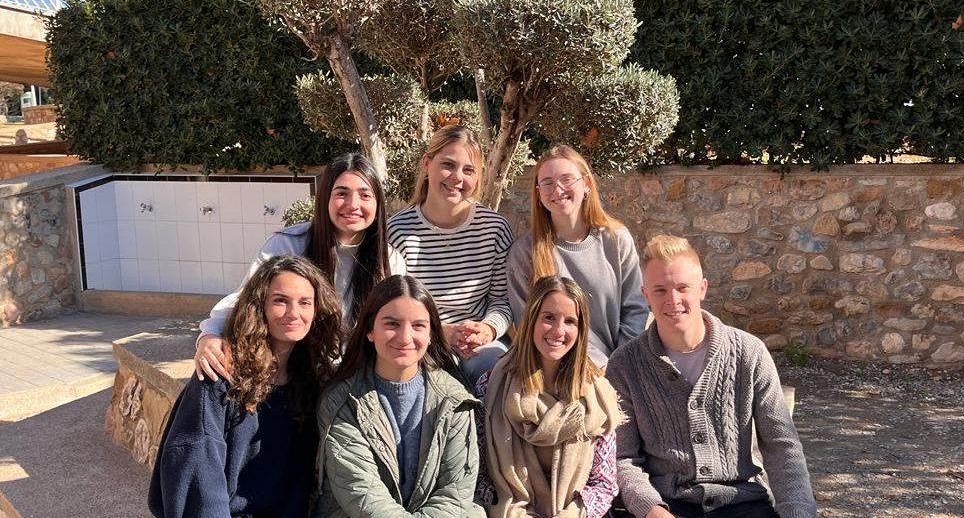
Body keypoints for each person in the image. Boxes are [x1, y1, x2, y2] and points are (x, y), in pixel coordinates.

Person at [605, 235, 828, 518]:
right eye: (660, 290)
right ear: (645, 296)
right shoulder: (625, 365)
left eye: (683, 287)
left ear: (702, 288)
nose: (673, 299)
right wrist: (647, 508)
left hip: (739, 502)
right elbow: (623, 457)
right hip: (668, 503)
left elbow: (782, 445)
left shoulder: (748, 352)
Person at [148, 255, 345, 518]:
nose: (294, 312)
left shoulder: (308, 388)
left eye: (305, 302)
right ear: (260, 307)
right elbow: (199, 491)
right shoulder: (217, 380)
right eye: (280, 301)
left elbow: (293, 501)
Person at [301, 275, 504, 518]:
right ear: (369, 332)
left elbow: (454, 497)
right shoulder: (341, 402)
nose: (405, 336)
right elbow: (364, 498)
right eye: (391, 324)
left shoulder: (454, 400)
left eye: (418, 326)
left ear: (431, 335)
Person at [481, 276, 619, 518]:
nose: (559, 330)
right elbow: (479, 475)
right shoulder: (493, 386)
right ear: (530, 321)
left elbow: (605, 484)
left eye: (570, 321)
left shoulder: (597, 393)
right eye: (548, 318)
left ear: (581, 328)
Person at [195, 152, 405, 381]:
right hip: (295, 377)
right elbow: (246, 301)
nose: (353, 205)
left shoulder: (389, 261)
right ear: (325, 197)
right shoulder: (287, 245)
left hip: (357, 382)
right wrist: (210, 336)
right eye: (342, 193)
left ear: (378, 205)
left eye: (365, 195)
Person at [387, 125, 514, 385]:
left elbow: (502, 301)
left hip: (480, 346)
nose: (457, 177)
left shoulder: (494, 229)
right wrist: (440, 332)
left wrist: (487, 330)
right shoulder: (397, 231)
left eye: (468, 170)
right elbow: (394, 306)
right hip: (419, 342)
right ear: (427, 163)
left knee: (500, 380)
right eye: (448, 164)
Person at [506, 145, 647, 367]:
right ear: (539, 193)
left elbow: (635, 310)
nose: (558, 189)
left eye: (567, 179)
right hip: (558, 373)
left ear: (587, 184)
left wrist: (619, 368)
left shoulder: (617, 240)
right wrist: (589, 368)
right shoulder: (524, 254)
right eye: (548, 183)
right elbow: (528, 327)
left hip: (620, 369)